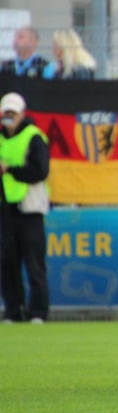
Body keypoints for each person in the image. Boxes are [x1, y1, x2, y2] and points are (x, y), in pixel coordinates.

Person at [0, 92, 50, 324]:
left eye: (12, 112)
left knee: (34, 264)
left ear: (22, 114)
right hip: (5, 208)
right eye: (5, 112)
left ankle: (37, 312)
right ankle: (13, 311)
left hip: (29, 208)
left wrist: (9, 170)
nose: (8, 117)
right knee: (7, 263)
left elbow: (39, 171)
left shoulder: (34, 137)